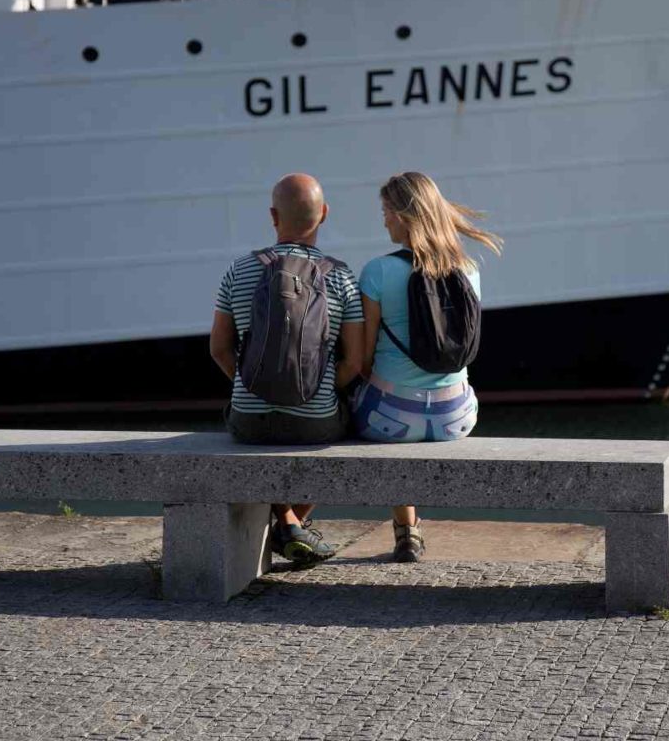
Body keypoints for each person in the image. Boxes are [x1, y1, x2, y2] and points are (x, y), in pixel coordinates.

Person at [209, 173, 363, 564]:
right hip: (315, 422)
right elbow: (356, 361)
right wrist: (318, 390)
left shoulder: (238, 270)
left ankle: (288, 523)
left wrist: (253, 385)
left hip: (249, 420)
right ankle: (292, 523)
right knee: (350, 436)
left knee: (254, 431)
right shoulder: (341, 276)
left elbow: (219, 350)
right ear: (324, 214)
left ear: (273, 216)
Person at [352, 171, 503, 562]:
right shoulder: (468, 269)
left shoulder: (377, 271)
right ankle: (410, 530)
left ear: (404, 215)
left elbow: (364, 359)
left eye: (386, 211)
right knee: (405, 416)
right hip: (458, 417)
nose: (383, 219)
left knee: (365, 409)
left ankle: (406, 530)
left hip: (391, 419)